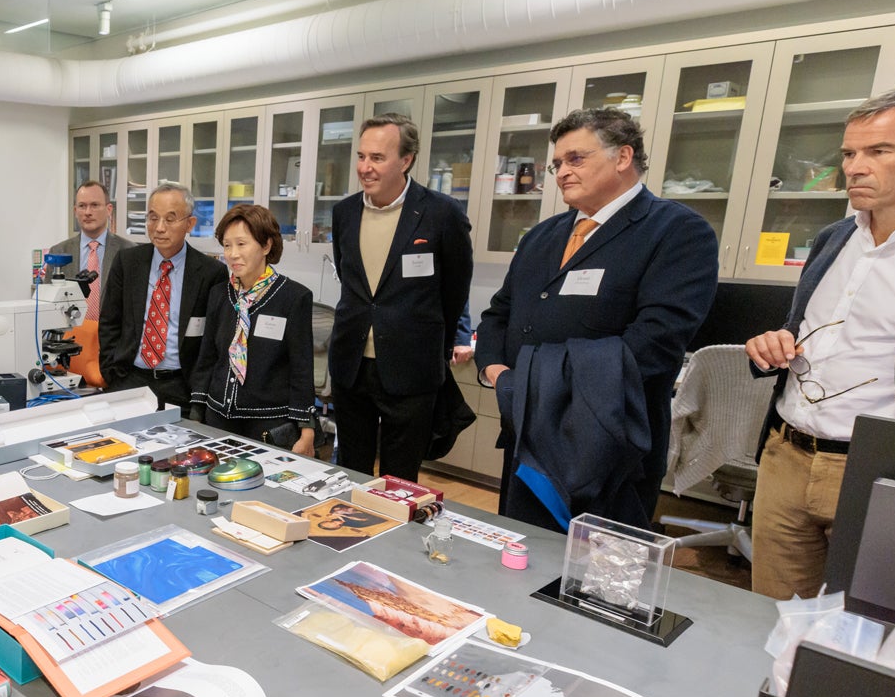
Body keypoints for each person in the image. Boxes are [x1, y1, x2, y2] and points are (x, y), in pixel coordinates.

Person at [477, 107, 717, 532]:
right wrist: (498, 373)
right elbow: (500, 313)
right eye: (557, 164)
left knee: (594, 572)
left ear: (623, 157)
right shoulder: (541, 236)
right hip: (528, 428)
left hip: (608, 437)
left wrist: (540, 381)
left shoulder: (677, 231)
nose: (562, 172)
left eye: (575, 159)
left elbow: (656, 343)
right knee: (521, 548)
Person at [744, 86, 895, 600]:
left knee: (862, 628)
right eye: (849, 153)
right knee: (767, 618)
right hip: (786, 457)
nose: (855, 167)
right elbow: (806, 333)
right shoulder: (834, 238)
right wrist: (774, 344)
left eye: (879, 151)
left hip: (875, 472)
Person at [328, 114, 473, 481]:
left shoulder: (442, 214)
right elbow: (352, 280)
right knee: (351, 472)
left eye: (377, 158)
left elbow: (454, 293)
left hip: (411, 369)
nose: (365, 167)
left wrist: (436, 349)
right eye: (361, 157)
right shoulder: (344, 212)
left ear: (406, 161)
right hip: (352, 364)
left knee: (400, 480)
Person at [188, 204, 316, 456]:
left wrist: (307, 430)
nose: (232, 254)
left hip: (268, 424)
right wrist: (196, 412)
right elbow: (207, 359)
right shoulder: (219, 294)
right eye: (227, 245)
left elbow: (302, 368)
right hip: (218, 419)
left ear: (266, 246)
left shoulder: (293, 297)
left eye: (241, 244)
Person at [98, 182, 228, 409]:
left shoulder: (210, 272)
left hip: (181, 386)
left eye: (170, 219)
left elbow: (214, 340)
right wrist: (113, 374)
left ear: (190, 224)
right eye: (153, 217)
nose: (159, 227)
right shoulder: (127, 262)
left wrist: (199, 389)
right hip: (130, 380)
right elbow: (110, 322)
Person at [48, 180, 133, 321]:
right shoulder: (59, 252)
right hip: (71, 337)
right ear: (75, 211)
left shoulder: (128, 252)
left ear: (109, 209)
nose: (87, 212)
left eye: (94, 205)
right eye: (82, 206)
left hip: (113, 338)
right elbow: (50, 305)